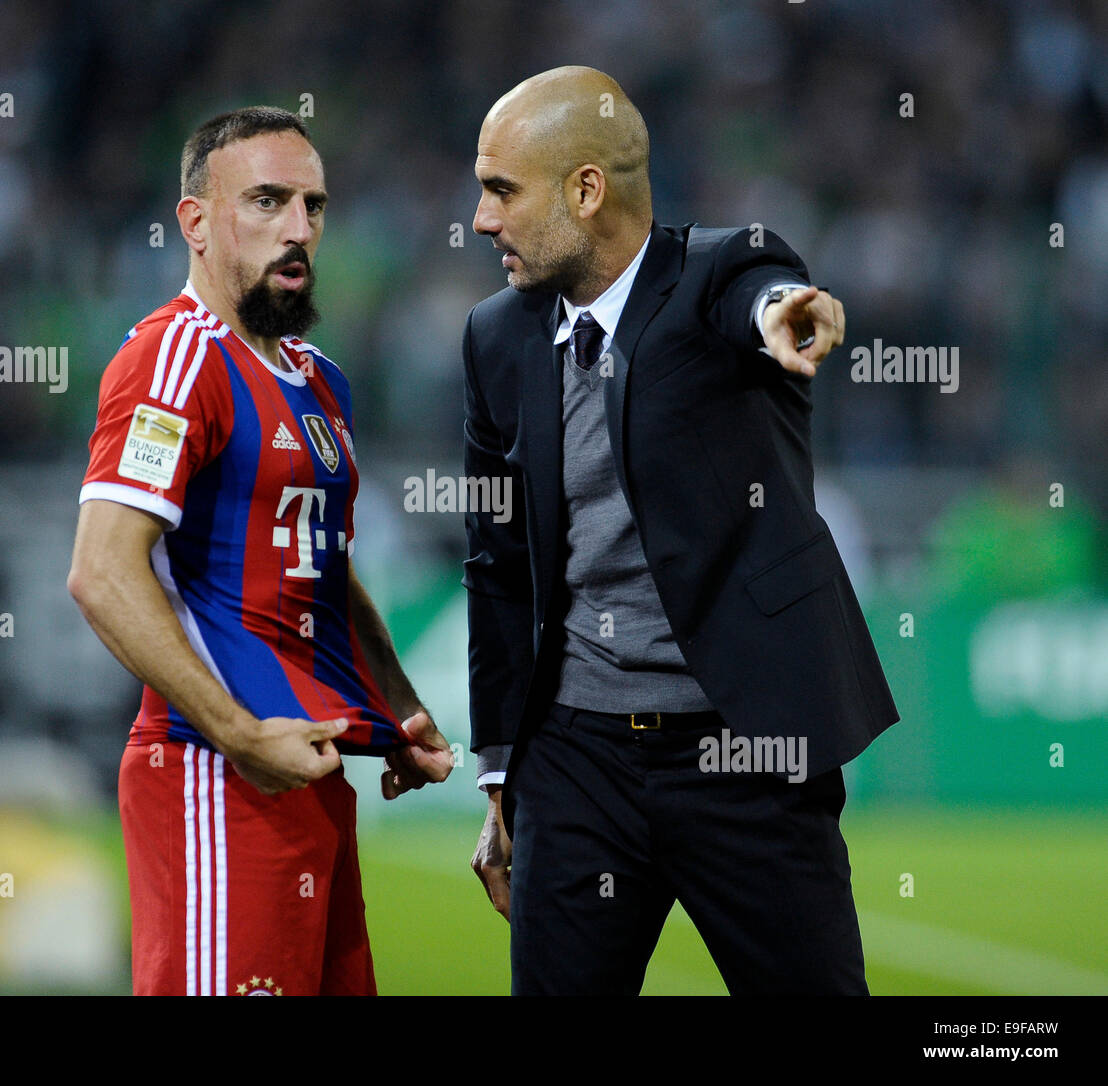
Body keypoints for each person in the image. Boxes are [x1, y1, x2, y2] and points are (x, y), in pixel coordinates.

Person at [463, 67, 898, 995]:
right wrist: (501, 775)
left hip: (742, 752)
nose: (481, 219)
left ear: (585, 191)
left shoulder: (716, 274)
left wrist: (785, 313)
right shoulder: (495, 338)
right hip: (576, 761)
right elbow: (497, 566)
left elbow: (761, 293)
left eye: (502, 189)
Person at [68, 107, 451, 997]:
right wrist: (237, 734)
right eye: (268, 201)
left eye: (313, 206)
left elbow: (323, 567)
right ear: (195, 222)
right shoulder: (174, 359)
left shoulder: (320, 380)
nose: (298, 229)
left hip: (305, 768)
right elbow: (102, 570)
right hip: (212, 774)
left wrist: (395, 707)